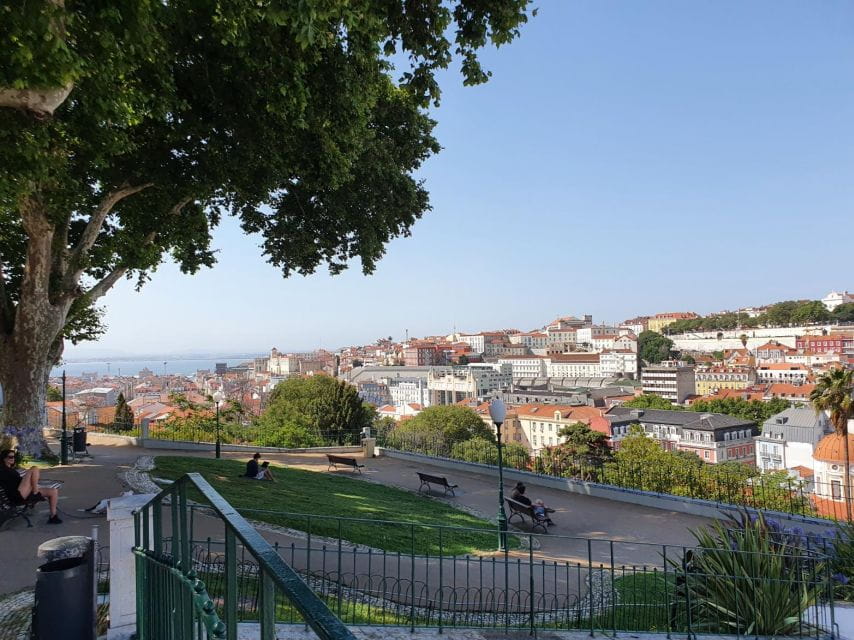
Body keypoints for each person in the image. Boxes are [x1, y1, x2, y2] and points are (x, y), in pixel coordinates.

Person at [0, 449, 62, 524]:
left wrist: (31, 482)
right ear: (4, 458)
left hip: (23, 491)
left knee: (53, 491)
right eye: (10, 457)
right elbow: (13, 483)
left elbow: (18, 480)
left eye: (14, 457)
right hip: (16, 495)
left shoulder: (11, 469)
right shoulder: (2, 470)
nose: (13, 458)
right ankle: (35, 491)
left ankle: (53, 516)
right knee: (34, 469)